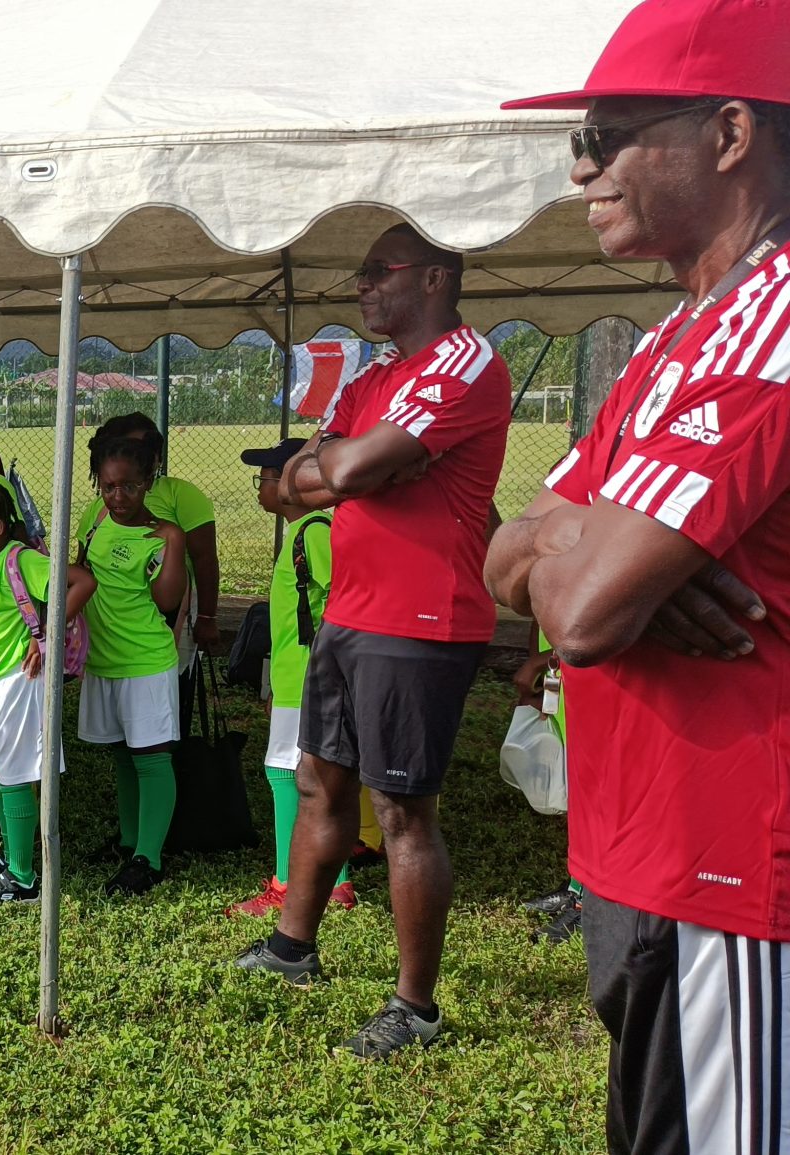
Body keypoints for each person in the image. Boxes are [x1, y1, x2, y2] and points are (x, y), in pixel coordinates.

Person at [486, 6, 790, 1143]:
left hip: (729, 869)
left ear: (729, 133)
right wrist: (598, 548)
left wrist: (594, 560)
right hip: (642, 854)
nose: (581, 168)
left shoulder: (772, 323)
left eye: (608, 134)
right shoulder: (674, 340)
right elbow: (504, 556)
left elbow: (577, 611)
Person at [234, 223, 511, 1060]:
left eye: (376, 270)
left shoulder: (466, 364)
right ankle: (293, 945)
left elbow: (339, 472)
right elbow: (289, 485)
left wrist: (345, 465)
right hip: (351, 614)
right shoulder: (376, 374)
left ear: (434, 277)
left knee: (400, 811)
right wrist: (353, 462)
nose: (360, 285)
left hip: (421, 621)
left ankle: (415, 1007)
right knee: (319, 779)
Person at [225, 438, 357, 918]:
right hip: (295, 679)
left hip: (310, 679)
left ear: (295, 483)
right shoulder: (305, 532)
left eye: (266, 476)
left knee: (284, 773)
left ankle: (288, 883)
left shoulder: (314, 533)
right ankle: (335, 883)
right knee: (311, 778)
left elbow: (343, 603)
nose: (262, 486)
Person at [0, 480, 93, 903]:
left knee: (13, 775)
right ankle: (12, 858)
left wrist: (44, 633)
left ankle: (25, 879)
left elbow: (82, 582)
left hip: (16, 681)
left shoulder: (20, 559)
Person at [75, 435, 187, 896]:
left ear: (148, 483)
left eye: (129, 487)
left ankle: (149, 859)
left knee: (151, 757)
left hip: (145, 661)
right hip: (103, 660)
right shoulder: (94, 518)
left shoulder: (163, 534)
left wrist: (173, 544)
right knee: (121, 753)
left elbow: (168, 600)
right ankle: (128, 840)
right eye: (108, 486)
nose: (118, 496)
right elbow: (80, 573)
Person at [94, 412, 221, 663]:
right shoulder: (103, 506)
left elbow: (204, 557)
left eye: (148, 446)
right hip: (109, 631)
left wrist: (207, 617)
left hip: (167, 620)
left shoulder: (180, 494)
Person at [510, 622, 578, 945]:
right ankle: (577, 885)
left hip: (594, 679)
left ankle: (588, 902)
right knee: (577, 794)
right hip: (564, 678)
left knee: (599, 797)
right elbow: (540, 614)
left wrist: (543, 661)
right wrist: (541, 675)